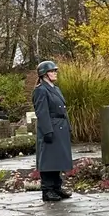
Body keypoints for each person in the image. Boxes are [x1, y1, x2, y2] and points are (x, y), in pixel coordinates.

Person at [31, 60, 74, 202]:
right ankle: (47, 190)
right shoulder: (41, 90)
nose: (55, 73)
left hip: (60, 126)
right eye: (52, 71)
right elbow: (42, 112)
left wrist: (68, 126)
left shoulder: (55, 88)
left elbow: (62, 109)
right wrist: (47, 131)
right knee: (49, 160)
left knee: (57, 159)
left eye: (55, 71)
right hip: (51, 127)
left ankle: (56, 187)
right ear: (44, 74)